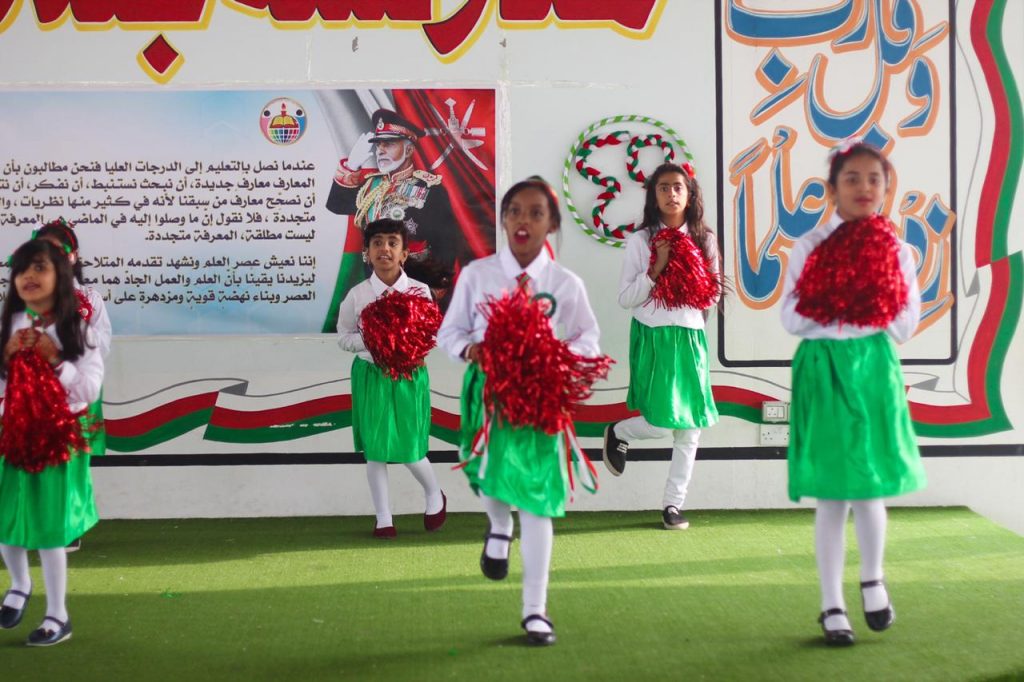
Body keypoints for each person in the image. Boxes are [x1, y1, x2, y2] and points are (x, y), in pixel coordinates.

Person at [437, 176, 603, 646]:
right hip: (488, 396)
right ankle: (497, 525)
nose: (523, 221)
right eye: (514, 212)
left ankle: (535, 610)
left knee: (536, 498)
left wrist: (559, 357)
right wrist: (472, 350)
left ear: (552, 224)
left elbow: (588, 340)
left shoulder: (565, 284)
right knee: (488, 475)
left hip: (540, 401)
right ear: (504, 220)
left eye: (535, 212)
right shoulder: (478, 275)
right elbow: (450, 333)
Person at [780, 140, 925, 646]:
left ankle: (872, 580)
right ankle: (831, 605)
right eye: (852, 178)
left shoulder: (898, 251)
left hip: (874, 369)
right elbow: (791, 318)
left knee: (869, 486)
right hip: (823, 370)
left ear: (886, 188)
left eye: (874, 179)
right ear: (832, 188)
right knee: (832, 494)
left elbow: (904, 325)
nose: (864, 187)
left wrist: (863, 296)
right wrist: (841, 296)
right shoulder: (810, 245)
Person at [602, 162, 721, 530]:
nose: (672, 194)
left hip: (690, 337)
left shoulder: (704, 239)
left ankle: (672, 504)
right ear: (654, 196)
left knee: (690, 428)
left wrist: (690, 279)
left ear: (690, 194)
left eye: (678, 187)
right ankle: (620, 431)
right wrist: (657, 268)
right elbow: (626, 298)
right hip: (654, 335)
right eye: (664, 187)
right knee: (658, 422)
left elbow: (713, 295)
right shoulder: (642, 241)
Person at [0, 240, 104, 646]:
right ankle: (19, 585)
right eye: (22, 269)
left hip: (58, 442)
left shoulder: (77, 328)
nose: (29, 276)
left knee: (48, 530)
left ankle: (57, 616)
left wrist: (56, 360)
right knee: (6, 521)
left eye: (39, 268)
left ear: (61, 276)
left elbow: (89, 390)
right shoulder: (9, 324)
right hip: (13, 439)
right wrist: (6, 359)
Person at [336, 219, 447, 538]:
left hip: (409, 375)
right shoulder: (357, 295)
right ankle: (383, 517)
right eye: (377, 243)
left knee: (410, 446)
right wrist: (373, 340)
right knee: (375, 449)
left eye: (392, 243)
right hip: (370, 375)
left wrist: (408, 346)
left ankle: (434, 495)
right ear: (367, 252)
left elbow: (433, 334)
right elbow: (343, 336)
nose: (384, 249)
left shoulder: (419, 291)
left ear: (404, 254)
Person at [325, 108, 464, 328]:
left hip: (414, 286)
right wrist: (351, 166)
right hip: (374, 285)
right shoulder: (371, 185)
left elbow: (446, 243)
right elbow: (337, 205)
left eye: (388, 144)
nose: (380, 150)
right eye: (378, 145)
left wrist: (434, 290)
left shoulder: (429, 189)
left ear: (409, 149)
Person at [35, 218, 112, 552]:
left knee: (72, 461)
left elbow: (102, 345)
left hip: (75, 389)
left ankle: (70, 527)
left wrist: (69, 344)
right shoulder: (27, 297)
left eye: (59, 250)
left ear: (73, 255)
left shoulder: (89, 299)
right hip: (34, 391)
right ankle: (37, 524)